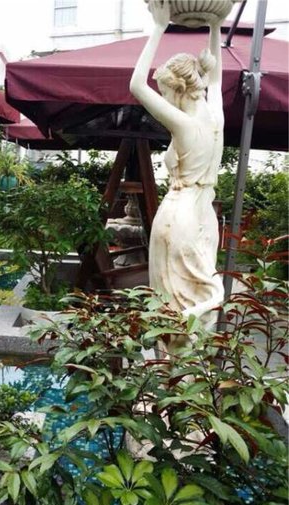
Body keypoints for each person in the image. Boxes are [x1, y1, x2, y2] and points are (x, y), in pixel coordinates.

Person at [129, 0, 225, 329]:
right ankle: (194, 355)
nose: (165, 99)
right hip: (205, 216)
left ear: (179, 89)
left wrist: (159, 27)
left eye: (165, 92)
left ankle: (172, 352)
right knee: (201, 299)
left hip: (178, 216)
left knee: (171, 304)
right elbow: (215, 79)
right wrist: (215, 26)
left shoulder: (183, 125)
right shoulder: (216, 117)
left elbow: (136, 86)